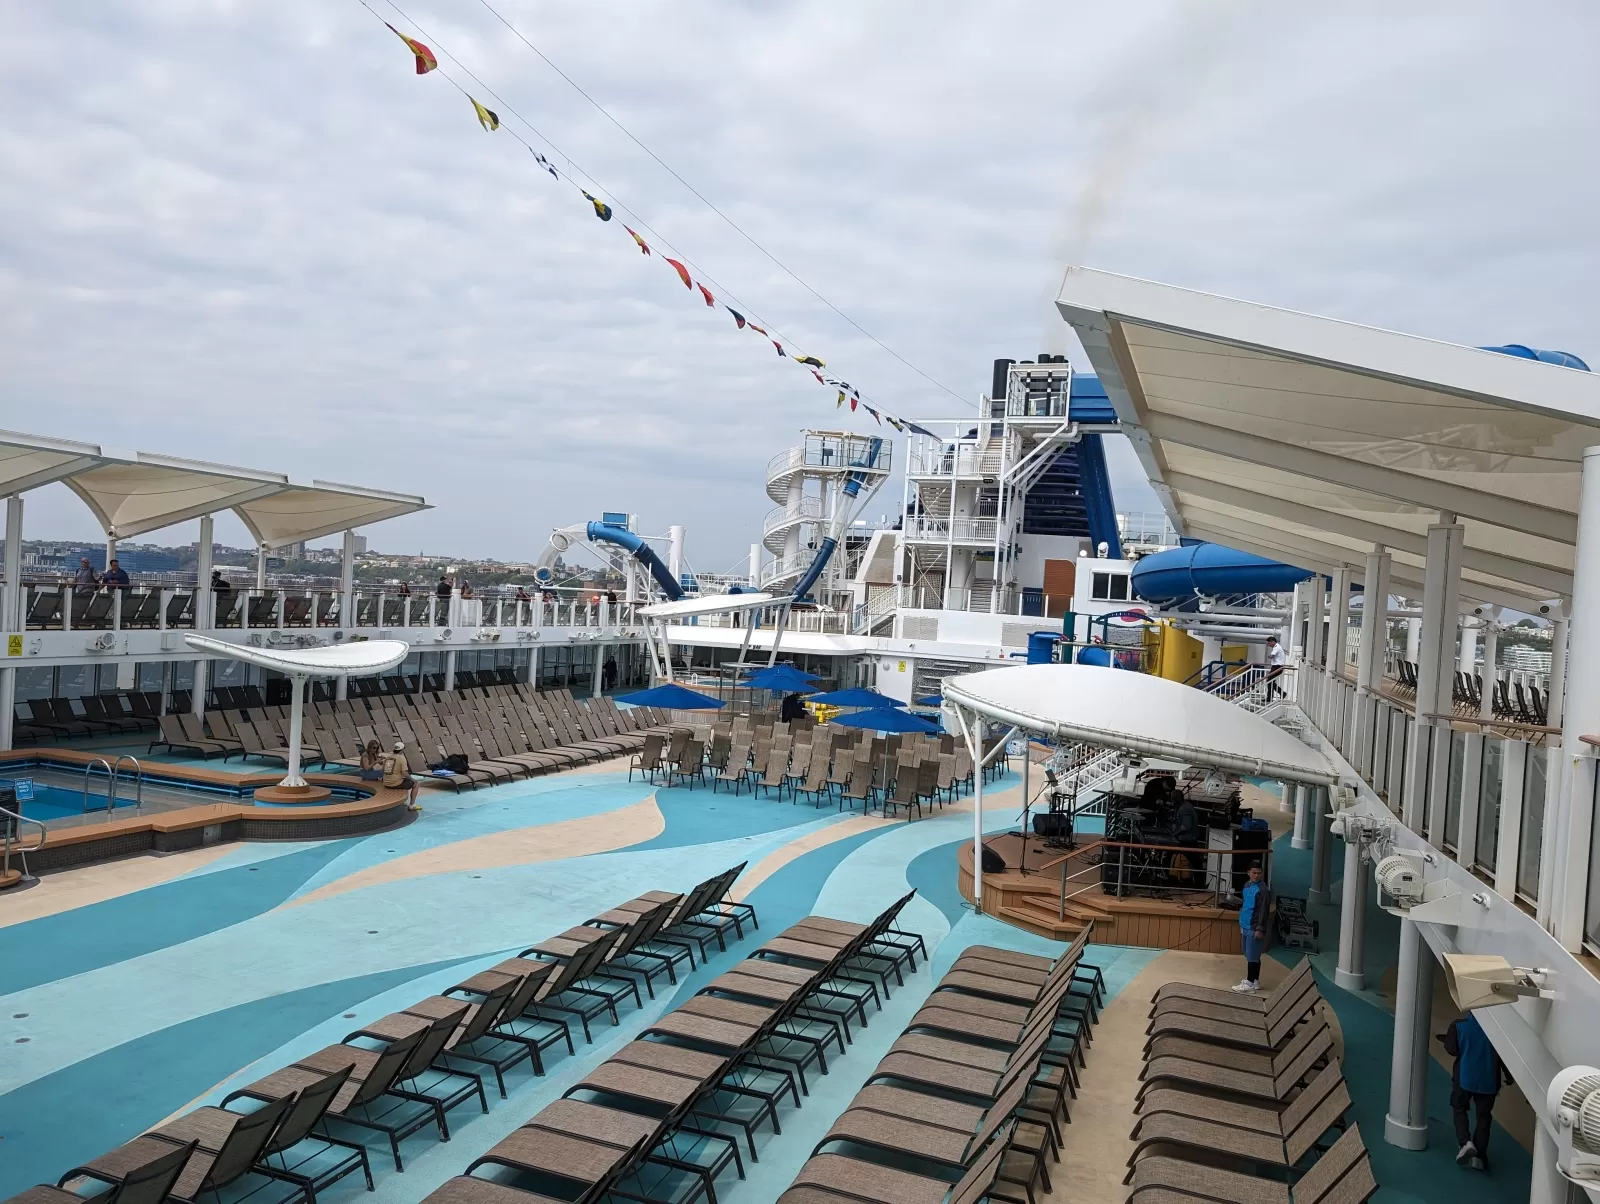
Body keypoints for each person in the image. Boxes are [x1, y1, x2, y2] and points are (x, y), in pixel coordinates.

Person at [1442, 1010, 1510, 1171]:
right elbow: (1504, 1057)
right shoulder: (1498, 1031)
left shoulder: (1459, 1026)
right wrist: (1509, 1076)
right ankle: (1479, 1157)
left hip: (1464, 1078)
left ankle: (1465, 1142)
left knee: (1459, 1108)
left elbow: (1451, 1049)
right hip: (1489, 1081)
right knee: (1484, 1117)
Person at [1233, 862, 1271, 993]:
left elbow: (1264, 912)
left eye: (1259, 873)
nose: (1256, 875)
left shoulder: (1263, 891)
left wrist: (1260, 929)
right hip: (1244, 924)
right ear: (1248, 872)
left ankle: (1249, 984)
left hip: (1254, 927)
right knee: (1250, 953)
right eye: (1254, 873)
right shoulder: (1246, 885)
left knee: (1253, 956)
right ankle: (1255, 980)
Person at [383, 739, 420, 811]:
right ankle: (412, 805)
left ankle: (402, 801)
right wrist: (413, 779)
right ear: (402, 750)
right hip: (395, 784)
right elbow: (405, 773)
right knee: (416, 784)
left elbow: (383, 770)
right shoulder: (401, 758)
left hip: (386, 783)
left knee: (404, 780)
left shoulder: (388, 757)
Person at [1264, 635, 1288, 701]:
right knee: (1270, 681)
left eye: (1269, 643)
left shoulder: (1277, 647)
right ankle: (1270, 697)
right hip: (1276, 667)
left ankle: (1280, 693)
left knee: (1269, 681)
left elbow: (1272, 656)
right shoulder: (1277, 647)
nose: (1268, 645)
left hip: (1277, 667)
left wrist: (1269, 656)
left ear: (1272, 641)